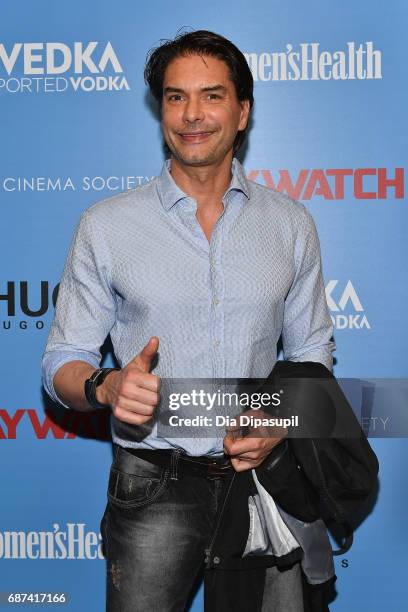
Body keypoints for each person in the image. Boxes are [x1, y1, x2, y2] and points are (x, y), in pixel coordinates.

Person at [42, 30, 335, 611]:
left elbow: (313, 355)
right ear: (161, 111)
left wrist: (279, 428)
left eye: (211, 96)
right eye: (176, 98)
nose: (192, 115)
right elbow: (60, 365)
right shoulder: (107, 224)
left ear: (242, 111)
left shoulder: (290, 223)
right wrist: (106, 386)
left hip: (263, 480)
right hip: (152, 482)